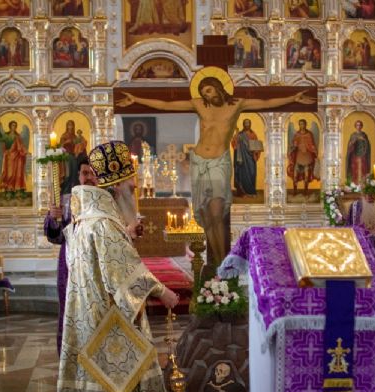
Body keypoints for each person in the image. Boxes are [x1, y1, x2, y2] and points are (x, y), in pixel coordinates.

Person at [54, 140, 179, 392]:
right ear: (115, 186)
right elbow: (122, 275)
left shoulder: (82, 222)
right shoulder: (104, 225)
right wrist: (163, 291)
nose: (134, 187)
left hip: (87, 322)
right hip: (112, 321)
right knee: (125, 384)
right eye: (129, 181)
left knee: (101, 387)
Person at [116, 72, 315, 270]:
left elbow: (266, 102)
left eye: (209, 91)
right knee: (207, 216)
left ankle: (222, 262)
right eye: (204, 93)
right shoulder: (199, 104)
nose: (207, 96)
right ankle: (215, 265)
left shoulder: (237, 104)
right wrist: (136, 99)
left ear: (218, 88)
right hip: (199, 162)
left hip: (219, 163)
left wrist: (293, 98)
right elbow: (166, 105)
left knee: (217, 212)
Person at [44, 158, 98, 356]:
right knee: (70, 312)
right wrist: (53, 218)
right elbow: (56, 237)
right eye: (85, 173)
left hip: (96, 268)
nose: (89, 177)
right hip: (70, 267)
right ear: (79, 176)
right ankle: (70, 358)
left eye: (92, 173)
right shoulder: (67, 201)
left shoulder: (106, 201)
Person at [287, 118, 318, 195]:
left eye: (303, 124)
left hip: (307, 156)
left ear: (305, 124)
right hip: (299, 156)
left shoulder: (309, 134)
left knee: (306, 174)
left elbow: (312, 144)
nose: (302, 125)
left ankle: (305, 191)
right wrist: (293, 147)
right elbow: (293, 144)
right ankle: (295, 191)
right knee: (295, 174)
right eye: (300, 124)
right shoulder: (297, 134)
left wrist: (314, 150)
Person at [231, 118, 262, 197]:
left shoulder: (253, 134)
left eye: (248, 123)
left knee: (252, 173)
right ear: (243, 124)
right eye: (245, 123)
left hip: (251, 158)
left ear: (250, 124)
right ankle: (242, 192)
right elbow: (234, 144)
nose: (247, 124)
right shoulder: (240, 134)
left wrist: (256, 151)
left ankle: (251, 192)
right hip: (242, 159)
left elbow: (256, 146)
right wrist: (236, 134)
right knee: (242, 175)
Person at [0, 120, 28, 197]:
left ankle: (17, 189)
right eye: (12, 125)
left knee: (17, 173)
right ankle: (8, 190)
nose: (14, 127)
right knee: (9, 173)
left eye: (15, 125)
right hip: (8, 157)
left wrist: (25, 152)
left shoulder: (17, 136)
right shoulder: (6, 135)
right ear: (10, 126)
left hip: (17, 157)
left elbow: (21, 146)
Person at [59, 119, 87, 194]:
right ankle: (66, 191)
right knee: (68, 174)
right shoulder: (64, 136)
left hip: (74, 156)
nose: (70, 127)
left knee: (75, 173)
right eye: (69, 125)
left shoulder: (75, 136)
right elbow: (60, 147)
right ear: (67, 126)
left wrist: (81, 143)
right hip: (66, 156)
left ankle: (74, 190)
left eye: (72, 125)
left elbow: (78, 145)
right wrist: (66, 142)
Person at [346, 120, 371, 186]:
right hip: (354, 156)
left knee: (363, 169)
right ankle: (354, 185)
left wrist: (364, 140)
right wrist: (354, 141)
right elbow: (350, 145)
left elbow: (367, 145)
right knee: (354, 170)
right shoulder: (353, 135)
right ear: (355, 126)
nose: (358, 126)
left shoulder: (364, 135)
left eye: (360, 125)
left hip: (363, 155)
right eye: (357, 125)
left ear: (361, 126)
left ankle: (363, 185)